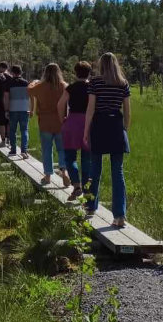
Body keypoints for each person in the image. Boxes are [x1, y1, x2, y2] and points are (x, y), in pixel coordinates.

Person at [83, 52, 131, 228]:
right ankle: (120, 215)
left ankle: (90, 206)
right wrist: (125, 128)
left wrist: (86, 131)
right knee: (117, 171)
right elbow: (127, 111)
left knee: (95, 168)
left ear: (101, 65)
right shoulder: (123, 83)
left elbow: (90, 109)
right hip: (116, 126)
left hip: (100, 125)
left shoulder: (95, 82)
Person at [28, 64, 70, 186]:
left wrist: (34, 82)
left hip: (45, 122)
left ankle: (47, 176)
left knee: (47, 149)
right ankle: (64, 171)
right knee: (62, 149)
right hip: (60, 122)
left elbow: (29, 90)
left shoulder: (40, 86)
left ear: (45, 73)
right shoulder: (63, 86)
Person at [58, 61, 92, 201]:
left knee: (70, 157)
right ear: (89, 73)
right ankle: (86, 189)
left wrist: (62, 120)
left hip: (72, 122)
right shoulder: (92, 87)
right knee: (87, 158)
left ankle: (76, 185)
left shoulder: (70, 88)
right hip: (88, 123)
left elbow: (60, 104)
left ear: (75, 73)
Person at [6, 64, 30, 158]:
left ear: (12, 72)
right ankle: (24, 150)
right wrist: (30, 108)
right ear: (21, 72)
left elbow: (6, 97)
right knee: (24, 130)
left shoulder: (9, 83)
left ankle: (13, 150)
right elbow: (30, 96)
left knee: (12, 130)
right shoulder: (26, 83)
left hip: (12, 109)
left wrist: (6, 109)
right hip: (24, 109)